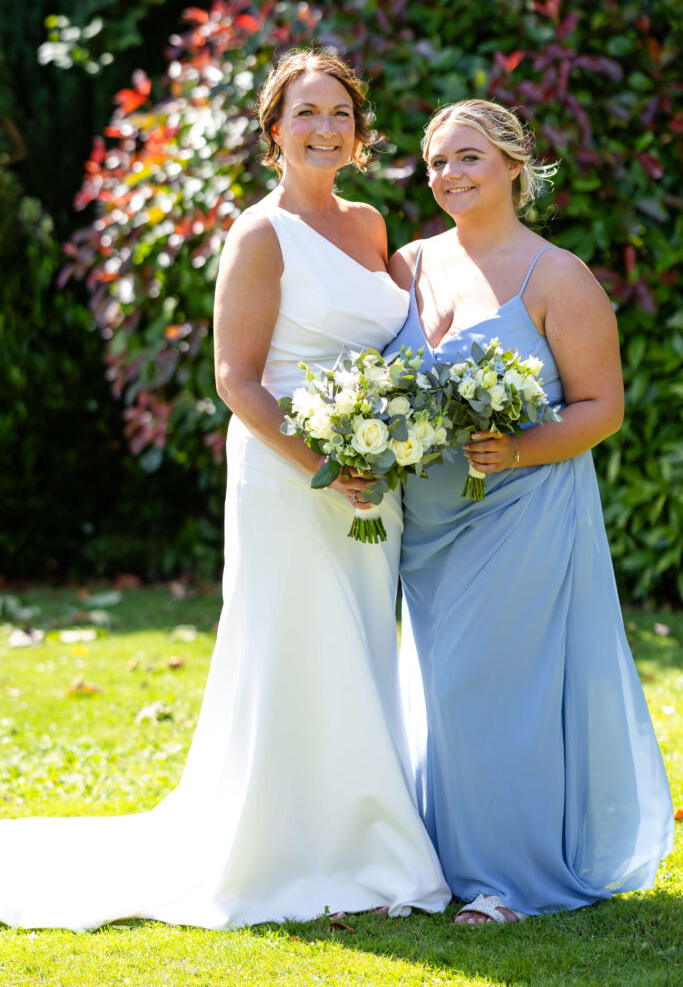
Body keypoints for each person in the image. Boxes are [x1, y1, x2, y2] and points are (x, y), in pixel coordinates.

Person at [0, 51, 450, 931]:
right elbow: (236, 380)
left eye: (339, 113)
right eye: (305, 113)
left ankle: (370, 838)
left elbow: (406, 344)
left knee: (360, 645)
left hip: (373, 472)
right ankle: (285, 847)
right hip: (290, 473)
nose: (324, 128)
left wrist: (386, 441)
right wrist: (324, 459)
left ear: (359, 132)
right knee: (294, 644)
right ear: (273, 131)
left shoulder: (370, 226)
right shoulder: (259, 234)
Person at [385, 99, 673, 925]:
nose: (448, 175)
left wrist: (514, 449)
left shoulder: (556, 275)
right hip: (425, 523)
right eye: (436, 162)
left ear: (513, 164)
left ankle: (508, 882)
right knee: (437, 692)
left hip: (521, 511)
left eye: (467, 157)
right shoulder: (406, 263)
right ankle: (436, 865)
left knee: (492, 687)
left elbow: (601, 407)